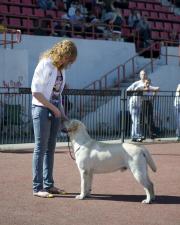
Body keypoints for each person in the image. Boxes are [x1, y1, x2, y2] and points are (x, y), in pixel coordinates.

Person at [31, 39, 77, 198]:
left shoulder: (61, 69)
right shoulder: (46, 64)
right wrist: (53, 108)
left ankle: (49, 185)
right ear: (61, 53)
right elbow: (36, 92)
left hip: (54, 111)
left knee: (51, 149)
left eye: (70, 61)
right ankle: (38, 188)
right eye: (67, 58)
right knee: (40, 148)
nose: (68, 62)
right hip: (41, 109)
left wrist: (62, 114)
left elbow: (58, 95)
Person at [126, 70, 148, 142]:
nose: (143, 76)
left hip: (139, 104)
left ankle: (133, 136)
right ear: (140, 75)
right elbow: (127, 90)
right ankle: (137, 135)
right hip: (133, 103)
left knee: (135, 120)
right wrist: (135, 92)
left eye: (144, 74)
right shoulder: (137, 83)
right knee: (136, 120)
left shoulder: (146, 83)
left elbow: (148, 91)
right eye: (142, 74)